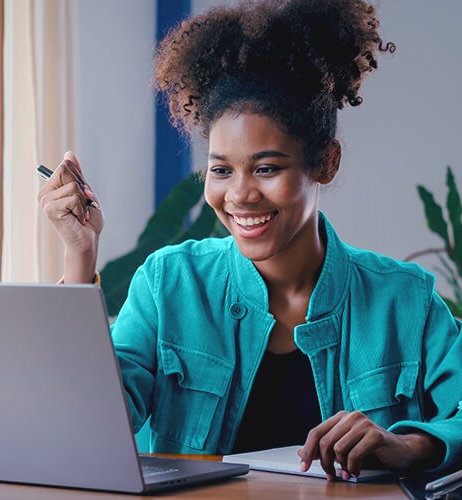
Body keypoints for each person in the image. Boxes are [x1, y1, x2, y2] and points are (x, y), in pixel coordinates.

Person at [37, 0, 462, 480]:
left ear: (326, 163)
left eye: (267, 168)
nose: (239, 194)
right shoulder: (169, 284)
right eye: (221, 169)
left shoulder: (405, 299)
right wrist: (80, 255)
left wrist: (408, 445)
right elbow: (82, 422)